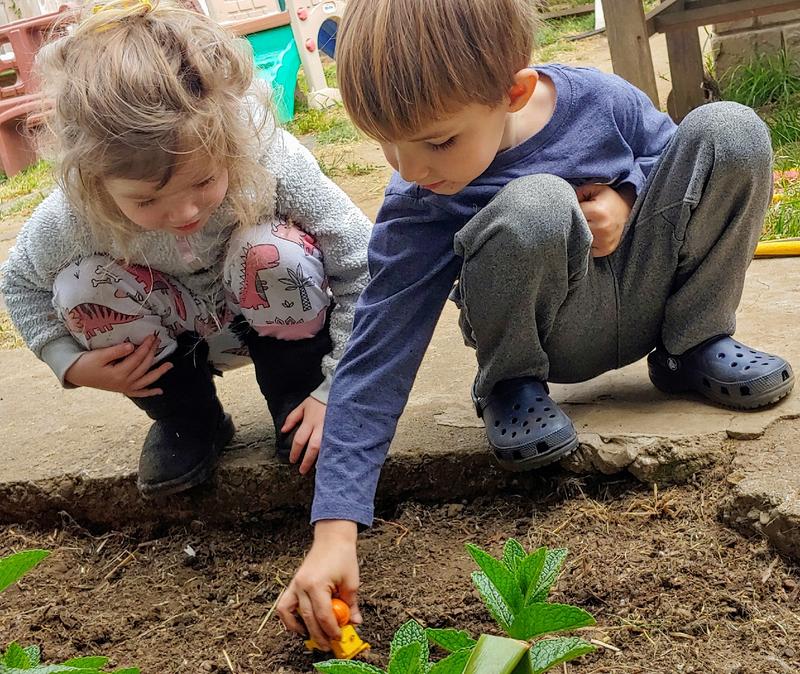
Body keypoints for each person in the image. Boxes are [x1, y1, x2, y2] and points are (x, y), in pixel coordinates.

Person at [276, 0, 795, 649]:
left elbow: (680, 161)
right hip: (555, 336)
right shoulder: (422, 195)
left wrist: (628, 195)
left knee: (731, 130)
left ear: (513, 91)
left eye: (437, 141)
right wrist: (334, 531)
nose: (410, 169)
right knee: (536, 204)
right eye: (388, 143)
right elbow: (378, 352)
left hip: (647, 294)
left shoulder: (600, 100)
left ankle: (697, 344)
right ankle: (511, 387)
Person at [1, 0, 371, 498]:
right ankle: (189, 420)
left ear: (230, 144)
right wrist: (67, 360)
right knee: (79, 286)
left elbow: (361, 258)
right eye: (148, 199)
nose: (182, 214)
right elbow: (19, 282)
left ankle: (297, 401)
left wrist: (336, 390)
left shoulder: (267, 161)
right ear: (93, 182)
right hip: (169, 337)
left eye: (203, 181)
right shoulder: (75, 211)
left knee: (270, 251)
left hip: (280, 319)